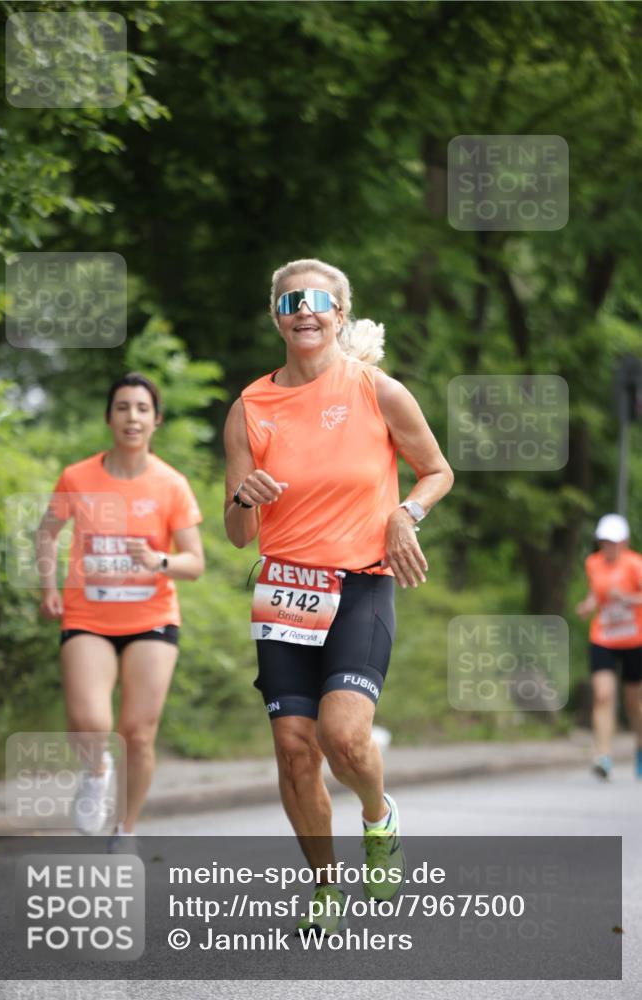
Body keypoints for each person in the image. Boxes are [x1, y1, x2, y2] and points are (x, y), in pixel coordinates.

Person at [224, 258, 453, 931]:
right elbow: (238, 534)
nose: (305, 310)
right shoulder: (250, 407)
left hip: (360, 584)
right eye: (291, 300)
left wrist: (403, 514)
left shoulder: (378, 392)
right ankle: (325, 889)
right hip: (285, 588)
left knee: (342, 736)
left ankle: (379, 819)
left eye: (318, 300)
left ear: (339, 314)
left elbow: (435, 470)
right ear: (276, 314)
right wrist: (244, 496)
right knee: (294, 747)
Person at [36, 373, 205, 840]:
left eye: (142, 408)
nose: (133, 416)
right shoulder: (78, 477)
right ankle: (96, 773)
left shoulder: (171, 484)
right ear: (109, 417)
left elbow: (194, 563)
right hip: (88, 615)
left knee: (139, 731)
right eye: (123, 407)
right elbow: (47, 533)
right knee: (91, 722)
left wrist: (160, 560)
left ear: (156, 420)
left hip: (152, 617)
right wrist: (48, 586)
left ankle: (124, 829)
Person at [576, 513, 642, 780]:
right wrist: (589, 604)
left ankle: (640, 746)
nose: (608, 547)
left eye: (613, 542)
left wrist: (627, 598)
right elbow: (596, 591)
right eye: (604, 541)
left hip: (634, 639)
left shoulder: (635, 564)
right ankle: (603, 756)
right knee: (603, 695)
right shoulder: (593, 563)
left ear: (624, 542)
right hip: (603, 637)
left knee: (634, 703)